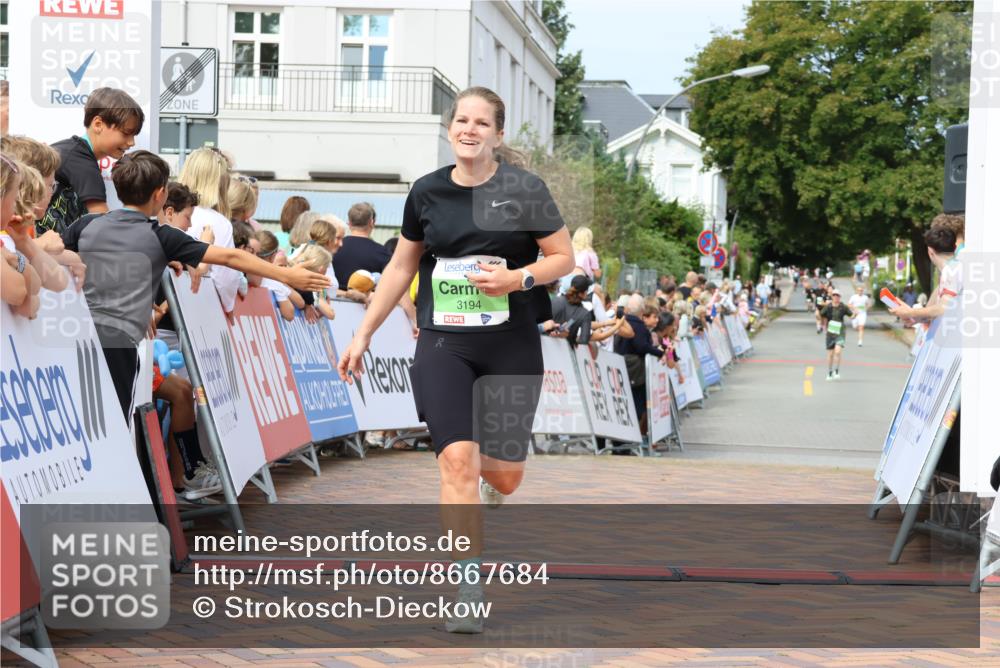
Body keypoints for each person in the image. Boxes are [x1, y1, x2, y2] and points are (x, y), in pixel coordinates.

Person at [336, 86, 573, 634]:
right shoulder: (427, 192)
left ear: (498, 133)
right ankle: (467, 587)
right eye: (461, 120)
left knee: (505, 477)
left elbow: (563, 256)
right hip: (445, 341)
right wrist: (364, 333)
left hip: (511, 342)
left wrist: (519, 277)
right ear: (450, 129)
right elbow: (400, 268)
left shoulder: (525, 190)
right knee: (456, 463)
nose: (469, 129)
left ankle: (493, 489)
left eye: (481, 122)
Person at [62, 150, 329, 422]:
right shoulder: (162, 236)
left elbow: (52, 252)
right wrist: (287, 276)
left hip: (76, 336)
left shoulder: (86, 225)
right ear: (160, 194)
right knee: (115, 421)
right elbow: (231, 256)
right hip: (119, 344)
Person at [42, 88, 145, 232]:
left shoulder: (72, 151)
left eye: (134, 135)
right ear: (98, 124)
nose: (131, 142)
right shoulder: (81, 162)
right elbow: (104, 224)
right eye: (126, 133)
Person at [333, 202, 418, 331]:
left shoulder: (333, 249)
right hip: (369, 322)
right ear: (372, 222)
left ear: (349, 223)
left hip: (333, 316)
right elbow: (396, 288)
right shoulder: (382, 253)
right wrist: (416, 320)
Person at [179, 147, 243, 313]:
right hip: (199, 311)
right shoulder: (219, 223)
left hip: (162, 307)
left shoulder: (166, 211)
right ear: (221, 183)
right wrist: (229, 306)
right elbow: (226, 277)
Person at [889, 227, 960, 324]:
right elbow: (934, 312)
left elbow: (942, 308)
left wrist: (910, 312)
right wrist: (914, 317)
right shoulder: (954, 269)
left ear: (930, 251)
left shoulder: (951, 271)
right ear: (955, 248)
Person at [819, 289, 858, 381]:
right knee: (830, 354)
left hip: (840, 332)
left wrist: (855, 314)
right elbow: (821, 315)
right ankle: (829, 372)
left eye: (837, 295)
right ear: (832, 297)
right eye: (834, 295)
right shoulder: (828, 307)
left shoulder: (843, 307)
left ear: (840, 297)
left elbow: (851, 315)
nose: (836, 297)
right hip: (830, 332)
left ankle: (836, 370)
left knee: (837, 351)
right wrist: (822, 324)